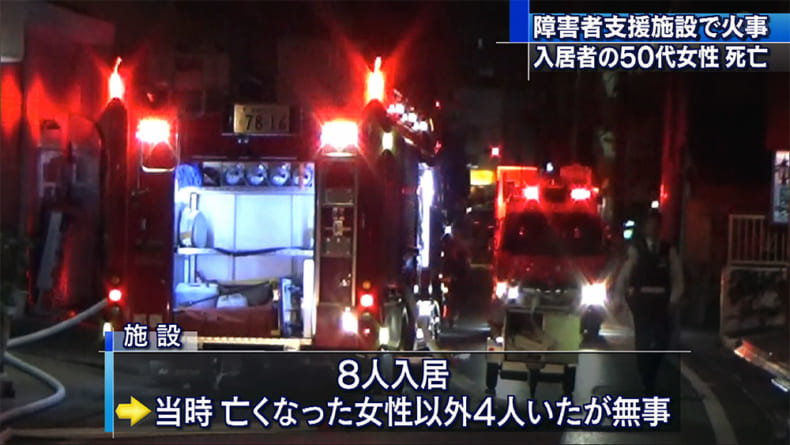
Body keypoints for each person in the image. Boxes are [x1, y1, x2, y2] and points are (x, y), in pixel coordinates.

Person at [614, 210, 684, 394]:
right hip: (642, 301)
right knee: (643, 341)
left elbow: (677, 278)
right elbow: (624, 275)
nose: (653, 229)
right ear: (645, 228)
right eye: (650, 225)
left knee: (662, 340)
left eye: (656, 225)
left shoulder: (668, 251)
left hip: (662, 302)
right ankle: (646, 378)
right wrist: (619, 298)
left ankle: (651, 373)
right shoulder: (636, 250)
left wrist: (674, 300)